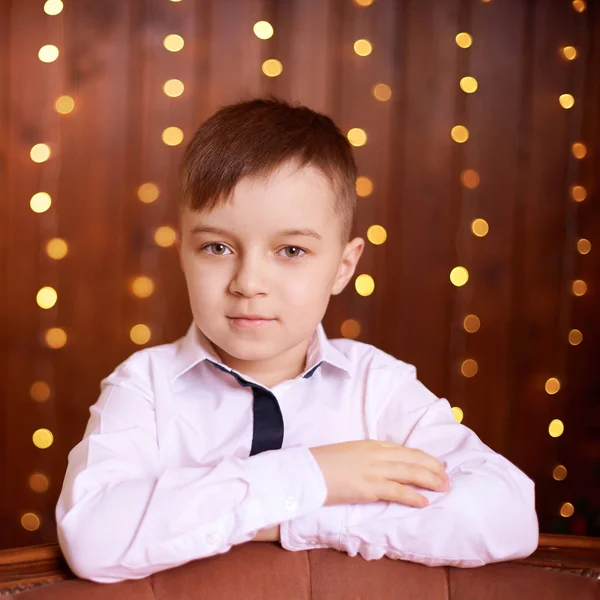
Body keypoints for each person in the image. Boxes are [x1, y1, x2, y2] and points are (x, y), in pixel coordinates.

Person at [55, 97, 539, 584]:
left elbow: (506, 515)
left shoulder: (377, 386)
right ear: (183, 255)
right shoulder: (144, 387)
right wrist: (317, 475)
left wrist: (293, 516)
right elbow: (94, 536)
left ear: (343, 267)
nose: (248, 282)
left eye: (291, 250)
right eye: (217, 247)